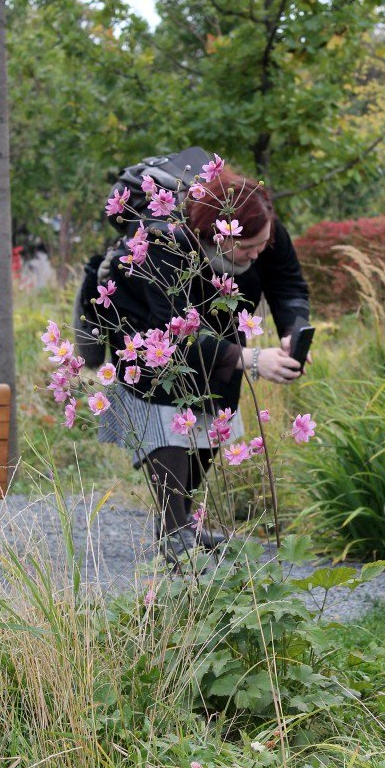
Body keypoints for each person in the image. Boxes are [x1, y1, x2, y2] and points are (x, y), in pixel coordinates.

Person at [98, 165, 309, 557]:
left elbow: (288, 284)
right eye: (248, 249)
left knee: (217, 409)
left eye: (262, 245)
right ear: (219, 234)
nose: (258, 253)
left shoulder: (261, 227)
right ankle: (175, 532)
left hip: (218, 319)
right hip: (146, 324)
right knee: (167, 414)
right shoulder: (165, 240)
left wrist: (294, 330)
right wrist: (251, 357)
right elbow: (173, 327)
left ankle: (183, 523)